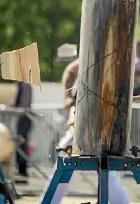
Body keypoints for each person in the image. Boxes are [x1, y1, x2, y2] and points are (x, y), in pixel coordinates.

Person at [39, 58, 130, 204]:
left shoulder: (115, 62)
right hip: (80, 128)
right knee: (64, 168)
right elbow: (70, 70)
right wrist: (67, 98)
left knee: (109, 175)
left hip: (103, 130)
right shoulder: (93, 56)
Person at [11, 81, 33, 178]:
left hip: (24, 117)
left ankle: (22, 168)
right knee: (21, 143)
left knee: (22, 143)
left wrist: (18, 111)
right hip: (23, 117)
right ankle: (21, 168)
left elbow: (24, 102)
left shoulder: (24, 84)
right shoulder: (23, 84)